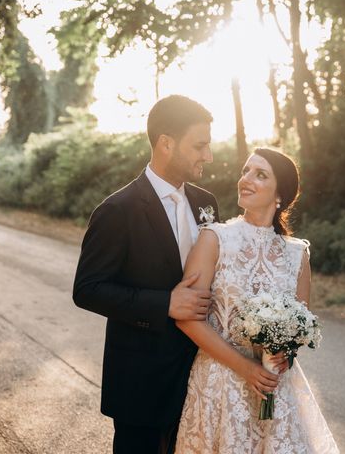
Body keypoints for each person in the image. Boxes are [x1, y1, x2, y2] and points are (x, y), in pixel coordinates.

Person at [73, 95, 221, 454]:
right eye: (199, 146)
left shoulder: (207, 203)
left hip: (202, 376)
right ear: (166, 144)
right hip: (142, 381)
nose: (208, 156)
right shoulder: (116, 211)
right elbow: (88, 289)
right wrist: (164, 303)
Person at [175, 147, 340, 453]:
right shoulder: (213, 238)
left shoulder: (297, 254)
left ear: (280, 195)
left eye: (260, 174)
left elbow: (299, 328)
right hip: (219, 386)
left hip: (273, 388)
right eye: (246, 171)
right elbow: (187, 318)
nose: (246, 179)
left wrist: (281, 357)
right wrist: (246, 368)